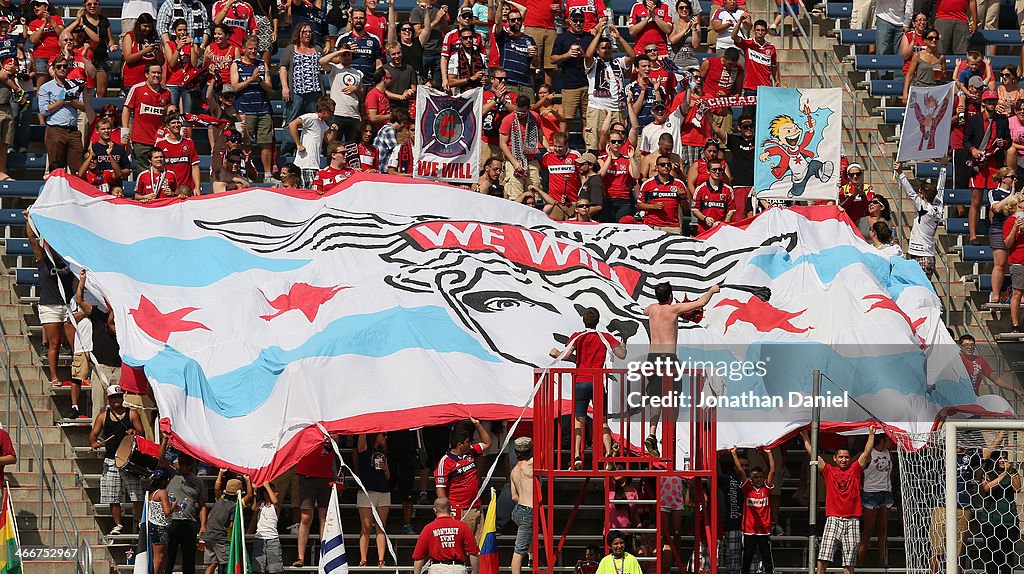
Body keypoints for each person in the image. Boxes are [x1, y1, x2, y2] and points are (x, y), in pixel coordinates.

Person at [643, 282, 720, 456]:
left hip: (652, 358)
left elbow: (644, 311)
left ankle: (652, 433)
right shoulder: (673, 309)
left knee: (656, 398)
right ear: (670, 296)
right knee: (674, 397)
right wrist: (712, 291)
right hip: (668, 359)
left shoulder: (652, 309)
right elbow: (700, 303)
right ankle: (670, 433)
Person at [549, 307, 625, 469]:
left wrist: (556, 353)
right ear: (598, 321)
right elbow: (621, 355)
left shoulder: (578, 336)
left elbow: (567, 355)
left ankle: (576, 455)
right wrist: (623, 345)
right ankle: (607, 455)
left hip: (581, 381)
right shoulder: (604, 337)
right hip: (598, 381)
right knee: (602, 421)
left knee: (579, 421)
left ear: (584, 320)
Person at [801, 425, 877, 574]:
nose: (844, 460)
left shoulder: (855, 469)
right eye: (840, 457)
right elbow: (813, 455)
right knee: (824, 557)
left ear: (850, 458)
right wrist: (805, 437)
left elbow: (866, 453)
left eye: (846, 457)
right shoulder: (829, 470)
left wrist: (871, 434)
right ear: (835, 458)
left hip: (853, 520)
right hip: (833, 519)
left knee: (849, 562)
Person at [89, 384, 145, 535]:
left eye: (119, 396)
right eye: (113, 397)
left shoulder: (132, 414)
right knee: (112, 495)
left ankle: (141, 522)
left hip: (129, 460)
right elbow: (93, 435)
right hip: (111, 460)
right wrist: (94, 443)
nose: (116, 400)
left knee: (136, 493)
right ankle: (118, 525)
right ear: (108, 399)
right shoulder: (102, 416)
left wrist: (134, 431)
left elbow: (142, 433)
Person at [26, 218, 73, 387]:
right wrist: (29, 219)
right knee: (55, 343)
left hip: (69, 305)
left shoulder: (69, 260)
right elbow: (31, 238)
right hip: (50, 306)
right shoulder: (42, 259)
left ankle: (78, 375)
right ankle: (54, 376)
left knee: (76, 343)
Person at [966, 89, 1011, 244]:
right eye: (989, 101)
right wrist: (974, 150)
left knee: (995, 201)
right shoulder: (975, 120)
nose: (992, 103)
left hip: (994, 164)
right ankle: (973, 235)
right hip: (979, 165)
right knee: (976, 200)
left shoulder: (1002, 120)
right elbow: (967, 141)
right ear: (983, 103)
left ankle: (995, 234)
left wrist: (1003, 143)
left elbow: (1009, 140)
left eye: (994, 101)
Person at [435, 418, 492, 538]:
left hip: (476, 506)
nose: (470, 444)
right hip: (459, 510)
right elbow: (440, 489)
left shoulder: (470, 451)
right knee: (461, 544)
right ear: (460, 445)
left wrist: (477, 425)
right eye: (468, 442)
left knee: (477, 547)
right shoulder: (445, 462)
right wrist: (446, 512)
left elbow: (487, 443)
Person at [583, 23, 634, 153]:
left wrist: (619, 37)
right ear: (597, 50)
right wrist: (599, 34)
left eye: (609, 47)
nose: (607, 50)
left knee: (618, 146)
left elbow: (632, 56)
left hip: (617, 109)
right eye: (603, 48)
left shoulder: (617, 62)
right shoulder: (593, 63)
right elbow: (588, 55)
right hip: (597, 107)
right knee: (594, 144)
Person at [231, 37, 275, 181]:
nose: (253, 51)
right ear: (244, 48)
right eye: (250, 48)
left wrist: (260, 80)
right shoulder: (236, 64)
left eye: (255, 48)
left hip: (263, 109)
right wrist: (251, 79)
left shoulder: (262, 64)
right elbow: (235, 87)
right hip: (244, 110)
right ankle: (246, 173)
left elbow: (270, 88)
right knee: (246, 143)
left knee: (266, 143)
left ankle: (268, 175)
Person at [280, 22, 325, 157]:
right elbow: (283, 68)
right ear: (298, 33)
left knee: (317, 120)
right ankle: (288, 151)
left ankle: (317, 149)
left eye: (310, 32)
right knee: (291, 121)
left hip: (315, 92)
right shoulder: (291, 49)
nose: (307, 34)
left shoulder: (317, 48)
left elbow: (324, 66)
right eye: (304, 32)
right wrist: (285, 87)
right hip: (296, 92)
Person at [293, 435, 339, 567]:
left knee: (324, 517)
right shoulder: (307, 423)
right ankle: (300, 557)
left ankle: (326, 555)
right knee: (306, 517)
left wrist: (328, 436)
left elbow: (335, 441)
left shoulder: (330, 424)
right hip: (307, 474)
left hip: (326, 475)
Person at [39, 55, 86, 173]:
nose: (62, 69)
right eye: (59, 67)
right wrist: (62, 101)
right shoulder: (46, 87)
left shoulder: (75, 85)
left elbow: (84, 106)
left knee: (78, 169)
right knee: (56, 169)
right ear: (53, 69)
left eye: (64, 66)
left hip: (73, 131)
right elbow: (43, 110)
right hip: (55, 130)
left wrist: (71, 101)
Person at [732, 448, 776, 574]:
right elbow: (740, 470)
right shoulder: (748, 488)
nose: (759, 479)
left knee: (767, 559)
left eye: (761, 477)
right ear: (751, 478)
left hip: (764, 530)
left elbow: (772, 470)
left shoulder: (766, 488)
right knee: (747, 558)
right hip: (749, 530)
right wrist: (734, 454)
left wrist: (768, 452)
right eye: (755, 477)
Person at [123, 62, 171, 173]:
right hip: (141, 141)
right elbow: (126, 110)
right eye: (153, 72)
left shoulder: (167, 92)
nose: (156, 75)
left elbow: (169, 115)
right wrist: (125, 134)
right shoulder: (137, 88)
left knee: (161, 172)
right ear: (146, 74)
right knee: (144, 174)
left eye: (159, 73)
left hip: (160, 140)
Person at [979, 450, 1022, 574]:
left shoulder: (1013, 473)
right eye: (1000, 458)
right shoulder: (988, 473)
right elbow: (987, 488)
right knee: (992, 558)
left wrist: (1011, 472)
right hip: (990, 521)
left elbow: (1017, 488)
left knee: (1007, 557)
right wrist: (1003, 474)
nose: (1003, 461)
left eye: (1005, 458)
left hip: (1009, 521)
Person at [412, 497, 481, 574]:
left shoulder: (428, 528)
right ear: (450, 509)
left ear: (434, 510)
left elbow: (419, 557)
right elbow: (473, 553)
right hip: (457, 569)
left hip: (437, 569)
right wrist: (475, 571)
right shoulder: (463, 526)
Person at [203, 472, 254, 574]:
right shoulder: (235, 505)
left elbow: (216, 488)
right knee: (226, 563)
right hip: (221, 538)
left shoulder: (219, 500)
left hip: (208, 536)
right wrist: (248, 480)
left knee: (212, 564)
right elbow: (249, 495)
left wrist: (220, 473)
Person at [166, 453, 208, 574]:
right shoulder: (172, 474)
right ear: (178, 463)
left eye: (188, 463)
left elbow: (202, 506)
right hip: (171, 521)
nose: (184, 466)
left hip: (189, 522)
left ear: (193, 464)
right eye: (182, 463)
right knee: (169, 558)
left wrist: (203, 525)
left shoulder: (198, 482)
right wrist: (164, 440)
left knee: (189, 560)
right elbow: (162, 457)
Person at [551, 12, 593, 134]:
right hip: (570, 85)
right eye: (575, 20)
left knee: (587, 121)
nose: (578, 23)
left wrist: (587, 57)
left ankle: (588, 150)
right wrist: (567, 55)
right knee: (566, 120)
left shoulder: (589, 38)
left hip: (588, 84)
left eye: (581, 21)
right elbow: (552, 59)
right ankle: (563, 149)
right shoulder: (562, 38)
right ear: (569, 21)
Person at [356, 432, 392, 568]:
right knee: (365, 527)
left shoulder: (383, 453)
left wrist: (384, 468)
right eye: (382, 434)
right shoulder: (364, 449)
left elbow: (388, 476)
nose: (385, 437)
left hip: (383, 491)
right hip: (366, 491)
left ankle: (381, 560)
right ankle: (363, 559)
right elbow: (361, 436)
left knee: (380, 526)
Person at [858, 436, 894, 568]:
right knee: (868, 529)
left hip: (886, 493)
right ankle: (860, 560)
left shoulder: (888, 453)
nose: (891, 442)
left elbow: (890, 472)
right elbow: (855, 467)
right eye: (888, 440)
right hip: (870, 493)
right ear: (882, 440)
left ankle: (882, 561)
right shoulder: (868, 453)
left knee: (883, 529)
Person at [499, 95, 542, 200]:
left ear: (528, 109)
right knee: (515, 194)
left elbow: (542, 136)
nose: (520, 115)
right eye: (518, 112)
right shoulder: (508, 119)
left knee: (534, 193)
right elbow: (502, 144)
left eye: (523, 113)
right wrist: (515, 163)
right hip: (514, 160)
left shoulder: (535, 117)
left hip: (531, 160)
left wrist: (548, 147)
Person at [289, 96, 338, 187]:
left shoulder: (322, 123)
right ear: (324, 110)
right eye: (331, 111)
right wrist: (298, 144)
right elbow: (292, 124)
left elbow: (329, 140)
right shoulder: (312, 117)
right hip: (305, 165)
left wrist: (333, 130)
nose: (333, 114)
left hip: (314, 165)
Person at [986, 167, 1017, 301]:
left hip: (1014, 229)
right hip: (999, 229)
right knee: (999, 263)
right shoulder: (994, 193)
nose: (1013, 180)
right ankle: (996, 294)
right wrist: (1011, 195)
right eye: (1011, 177)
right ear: (1004, 179)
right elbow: (997, 208)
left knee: (1016, 264)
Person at [959, 333, 1024, 397]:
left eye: (972, 345)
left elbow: (996, 379)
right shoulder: (957, 359)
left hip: (973, 399)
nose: (969, 347)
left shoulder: (979, 360)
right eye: (966, 345)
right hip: (957, 399)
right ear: (960, 347)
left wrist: (1014, 389)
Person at [638, 154, 688, 234]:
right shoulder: (648, 184)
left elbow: (686, 209)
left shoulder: (679, 184)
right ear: (656, 167)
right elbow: (639, 205)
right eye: (662, 165)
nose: (666, 166)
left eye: (668, 164)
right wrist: (653, 206)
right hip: (653, 226)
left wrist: (683, 198)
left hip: (673, 227)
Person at [322, 46, 363, 143]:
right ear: (339, 56)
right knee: (334, 146)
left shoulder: (357, 73)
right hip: (337, 114)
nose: (346, 57)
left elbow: (361, 96)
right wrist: (339, 52)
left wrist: (356, 89)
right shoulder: (335, 69)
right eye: (344, 54)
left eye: (348, 54)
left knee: (352, 148)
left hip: (354, 115)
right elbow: (322, 62)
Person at [598, 130, 640, 223]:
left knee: (622, 225)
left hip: (624, 200)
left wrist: (632, 158)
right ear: (608, 143)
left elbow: (636, 175)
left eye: (619, 142)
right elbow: (601, 175)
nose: (616, 144)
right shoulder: (602, 159)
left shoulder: (626, 159)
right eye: (613, 141)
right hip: (608, 199)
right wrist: (609, 157)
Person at [156, 114, 201, 197]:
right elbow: (156, 168)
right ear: (167, 126)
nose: (176, 125)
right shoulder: (160, 144)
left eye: (178, 122)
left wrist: (197, 187)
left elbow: (194, 166)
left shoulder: (189, 143)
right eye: (173, 123)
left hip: (185, 190)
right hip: (167, 191)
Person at [539, 132, 580, 218]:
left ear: (566, 145)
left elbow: (582, 175)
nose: (557, 149)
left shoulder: (575, 155)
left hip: (572, 202)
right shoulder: (548, 156)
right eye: (555, 146)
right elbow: (541, 172)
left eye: (560, 147)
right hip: (555, 203)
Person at [120, 14, 162, 95]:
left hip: (150, 82)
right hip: (132, 81)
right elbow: (128, 59)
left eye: (150, 26)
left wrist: (158, 51)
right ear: (139, 25)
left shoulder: (154, 38)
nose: (147, 29)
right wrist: (145, 51)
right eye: (145, 26)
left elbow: (161, 62)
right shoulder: (130, 36)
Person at [163, 19, 199, 113]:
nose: (182, 32)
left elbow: (194, 63)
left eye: (184, 30)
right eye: (180, 30)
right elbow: (172, 63)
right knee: (172, 112)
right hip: (173, 82)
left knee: (188, 114)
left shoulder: (192, 45)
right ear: (174, 31)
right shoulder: (169, 44)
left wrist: (192, 46)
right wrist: (178, 48)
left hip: (187, 83)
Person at [509, 437, 534, 574]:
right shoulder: (531, 464)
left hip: (519, 509)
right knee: (519, 552)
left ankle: (533, 556)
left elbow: (514, 497)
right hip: (528, 511)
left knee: (532, 538)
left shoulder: (514, 470)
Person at [692, 158, 735, 234]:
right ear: (708, 171)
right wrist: (705, 218)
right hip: (703, 231)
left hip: (721, 231)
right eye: (714, 170)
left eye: (720, 170)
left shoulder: (728, 190)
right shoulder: (700, 189)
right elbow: (695, 210)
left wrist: (723, 225)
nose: (717, 172)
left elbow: (731, 211)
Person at [251, 483, 283, 574]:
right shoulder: (260, 505)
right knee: (258, 568)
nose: (276, 493)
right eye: (274, 491)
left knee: (275, 568)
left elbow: (275, 501)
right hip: (259, 539)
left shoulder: (276, 506)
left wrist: (267, 485)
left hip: (273, 539)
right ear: (265, 493)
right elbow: (254, 508)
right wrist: (255, 492)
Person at [147, 470, 174, 574]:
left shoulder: (153, 492)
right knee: (159, 556)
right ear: (167, 480)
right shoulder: (162, 492)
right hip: (160, 527)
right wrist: (174, 506)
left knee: (163, 555)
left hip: (155, 525)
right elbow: (167, 511)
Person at [669, 0, 701, 72]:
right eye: (681, 8)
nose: (684, 10)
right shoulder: (674, 25)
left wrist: (693, 28)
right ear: (677, 10)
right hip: (676, 63)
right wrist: (686, 29)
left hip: (692, 63)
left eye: (687, 7)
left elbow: (695, 45)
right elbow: (672, 40)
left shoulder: (696, 25)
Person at [575, 152, 605, 220]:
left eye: (582, 164)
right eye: (578, 164)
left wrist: (582, 217)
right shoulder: (589, 180)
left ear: (591, 165)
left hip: (591, 223)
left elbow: (597, 206)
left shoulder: (595, 181)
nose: (579, 167)